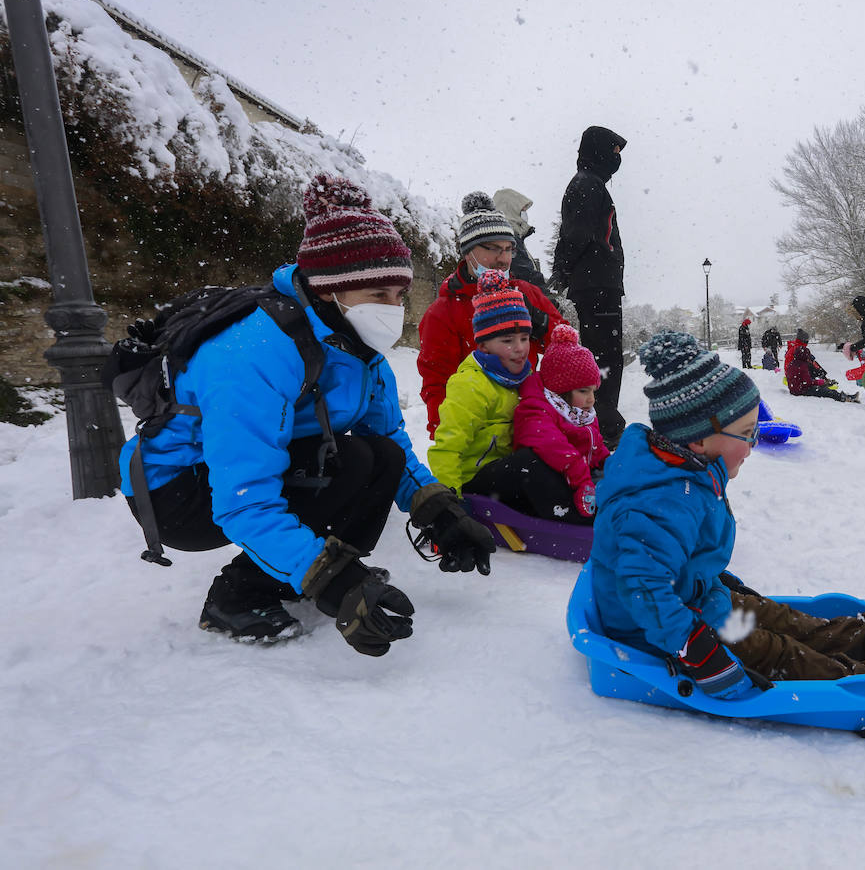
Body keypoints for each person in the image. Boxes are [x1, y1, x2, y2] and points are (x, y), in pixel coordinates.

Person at [116, 175, 495, 653]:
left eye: (399, 295)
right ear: (331, 290)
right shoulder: (255, 351)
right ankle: (238, 596)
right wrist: (332, 581)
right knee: (348, 462)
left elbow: (391, 441)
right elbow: (243, 498)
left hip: (251, 471)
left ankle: (313, 565)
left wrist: (440, 513)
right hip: (180, 490)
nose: (394, 309)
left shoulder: (358, 348)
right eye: (379, 294)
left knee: (376, 455)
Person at [588, 331, 865, 695]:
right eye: (747, 434)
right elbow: (643, 588)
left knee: (774, 617)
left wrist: (705, 576)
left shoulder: (679, 472)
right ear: (697, 438)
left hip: (696, 602)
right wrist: (699, 653)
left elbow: (666, 558)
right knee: (777, 654)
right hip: (665, 633)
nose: (753, 445)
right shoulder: (659, 499)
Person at [418, 191, 566, 439]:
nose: (503, 259)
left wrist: (540, 321)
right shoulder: (443, 312)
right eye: (494, 249)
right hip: (480, 430)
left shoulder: (525, 293)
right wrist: (450, 438)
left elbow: (566, 348)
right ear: (468, 252)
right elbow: (437, 383)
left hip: (531, 421)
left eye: (508, 250)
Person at [429, 270, 545, 512]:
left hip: (510, 474)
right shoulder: (471, 385)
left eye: (524, 338)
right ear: (483, 346)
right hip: (475, 481)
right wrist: (449, 504)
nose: (520, 348)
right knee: (529, 463)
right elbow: (447, 447)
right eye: (507, 341)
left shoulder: (525, 379)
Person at [550, 125, 629, 447]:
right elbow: (576, 234)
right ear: (598, 151)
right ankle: (604, 428)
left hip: (598, 282)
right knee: (605, 355)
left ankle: (602, 423)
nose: (617, 159)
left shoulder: (591, 183)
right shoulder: (586, 184)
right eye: (614, 152)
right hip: (596, 284)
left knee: (606, 354)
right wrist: (563, 270)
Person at [510, 323, 611, 523]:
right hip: (554, 481)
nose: (591, 399)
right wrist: (582, 481)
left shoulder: (580, 413)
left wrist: (613, 466)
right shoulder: (536, 410)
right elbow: (554, 447)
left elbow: (596, 448)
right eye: (583, 391)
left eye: (593, 391)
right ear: (560, 390)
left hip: (582, 477)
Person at [491, 187, 553, 299]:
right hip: (520, 301)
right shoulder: (509, 238)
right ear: (511, 210)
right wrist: (546, 299)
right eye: (522, 210)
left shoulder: (503, 236)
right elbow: (526, 274)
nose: (525, 214)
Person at [785, 328, 858, 402]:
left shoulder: (797, 355)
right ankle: (842, 396)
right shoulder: (799, 354)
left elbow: (810, 365)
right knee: (823, 390)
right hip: (800, 385)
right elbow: (807, 381)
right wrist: (819, 381)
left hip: (797, 381)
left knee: (820, 386)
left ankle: (830, 386)